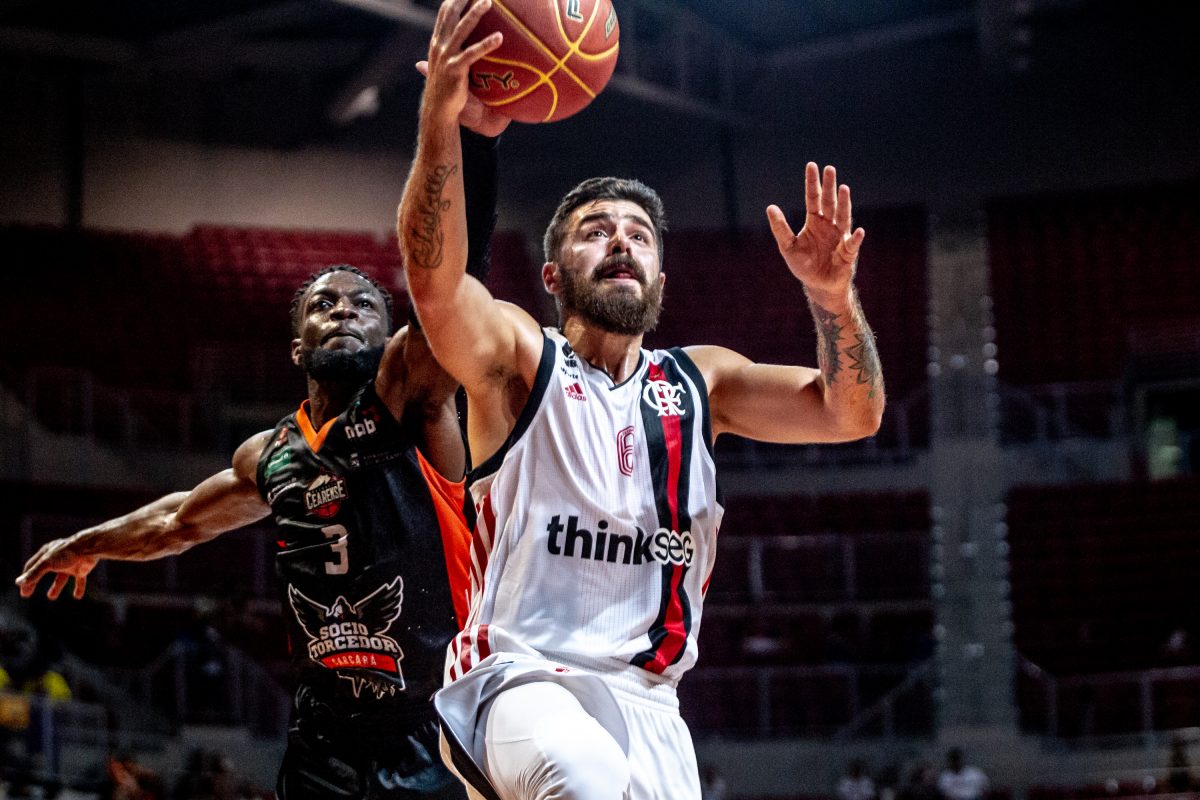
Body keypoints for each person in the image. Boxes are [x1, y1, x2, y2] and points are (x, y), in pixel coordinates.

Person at [398, 2, 885, 798]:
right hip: (520, 678)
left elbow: (851, 414)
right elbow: (436, 286)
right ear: (553, 276)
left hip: (652, 706)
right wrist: (443, 126)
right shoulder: (520, 357)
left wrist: (832, 297)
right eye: (595, 230)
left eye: (639, 234)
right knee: (581, 776)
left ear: (661, 276)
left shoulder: (703, 383)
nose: (621, 241)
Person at [15, 103, 510, 798]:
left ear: (390, 336)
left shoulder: (413, 402)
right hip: (322, 735)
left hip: (432, 720)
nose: (344, 311)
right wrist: (87, 543)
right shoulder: (270, 453)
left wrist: (476, 143)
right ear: (297, 347)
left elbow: (457, 286)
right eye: (324, 305)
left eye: (364, 305)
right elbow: (177, 521)